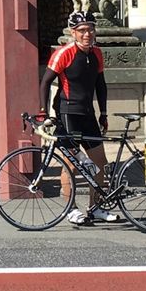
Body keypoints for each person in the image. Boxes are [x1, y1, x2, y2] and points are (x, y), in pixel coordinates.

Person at [40, 11, 112, 226]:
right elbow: (45, 82)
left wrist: (104, 113)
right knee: (71, 164)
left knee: (99, 162)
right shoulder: (64, 53)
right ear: (73, 33)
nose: (87, 34)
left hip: (88, 113)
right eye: (82, 30)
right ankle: (70, 209)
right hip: (68, 113)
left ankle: (95, 207)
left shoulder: (97, 53)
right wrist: (44, 113)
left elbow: (100, 85)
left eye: (90, 29)